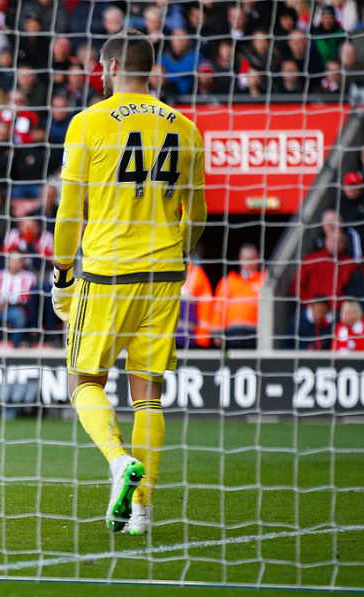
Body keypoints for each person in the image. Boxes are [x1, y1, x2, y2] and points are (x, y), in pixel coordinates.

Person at [51, 31, 206, 535]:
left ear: (113, 66)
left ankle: (118, 461)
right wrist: (174, 251)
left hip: (107, 270)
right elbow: (198, 216)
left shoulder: (89, 122)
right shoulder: (185, 127)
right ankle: (142, 512)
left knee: (83, 380)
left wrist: (62, 273)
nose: (98, 73)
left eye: (100, 66)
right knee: (148, 394)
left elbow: (70, 210)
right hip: (164, 273)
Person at [210, 244, 266, 349]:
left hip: (257, 333)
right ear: (240, 259)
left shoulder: (264, 280)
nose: (248, 262)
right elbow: (218, 308)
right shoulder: (228, 281)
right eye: (245, 258)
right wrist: (217, 332)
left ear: (258, 259)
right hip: (233, 333)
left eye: (252, 259)